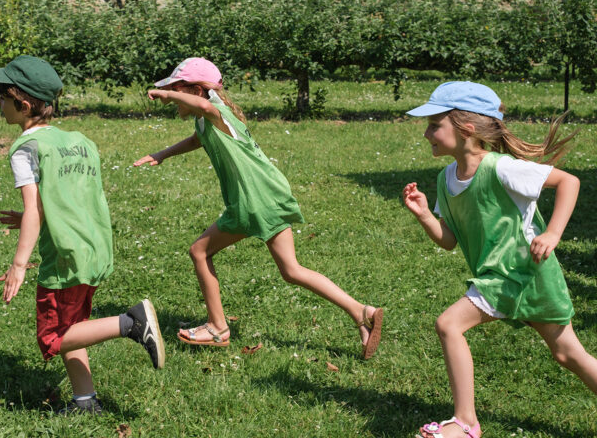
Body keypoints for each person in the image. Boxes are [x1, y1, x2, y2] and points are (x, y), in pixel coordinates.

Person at [133, 57, 383, 359]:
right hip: (269, 195)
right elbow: (199, 138)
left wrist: (168, 93)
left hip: (253, 201)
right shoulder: (206, 120)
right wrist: (161, 154)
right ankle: (362, 312)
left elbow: (208, 109)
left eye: (178, 90)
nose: (173, 98)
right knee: (291, 270)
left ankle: (217, 328)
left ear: (197, 91)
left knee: (199, 251)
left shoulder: (217, 111)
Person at [402, 81, 597, 438]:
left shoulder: (503, 168)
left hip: (521, 272)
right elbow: (448, 240)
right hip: (502, 276)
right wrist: (424, 215)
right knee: (568, 354)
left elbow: (569, 182)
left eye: (434, 124)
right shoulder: (446, 178)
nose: (427, 133)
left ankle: (465, 424)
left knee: (449, 324)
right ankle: (465, 423)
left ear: (466, 129)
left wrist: (552, 233)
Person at [0, 55, 165, 415]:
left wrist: (19, 263)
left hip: (63, 256)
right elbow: (71, 196)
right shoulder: (78, 140)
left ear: (21, 103)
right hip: (92, 246)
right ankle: (85, 401)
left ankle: (131, 323)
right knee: (75, 326)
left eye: (0, 97)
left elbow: (36, 207)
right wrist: (32, 217)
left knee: (53, 337)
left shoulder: (26, 149)